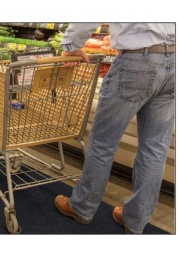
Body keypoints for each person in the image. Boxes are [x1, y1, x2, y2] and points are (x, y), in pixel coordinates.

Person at [55, 23, 175, 234]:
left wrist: (72, 44)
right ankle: (135, 220)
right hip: (173, 63)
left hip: (135, 62)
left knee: (103, 143)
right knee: (155, 149)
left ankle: (82, 207)